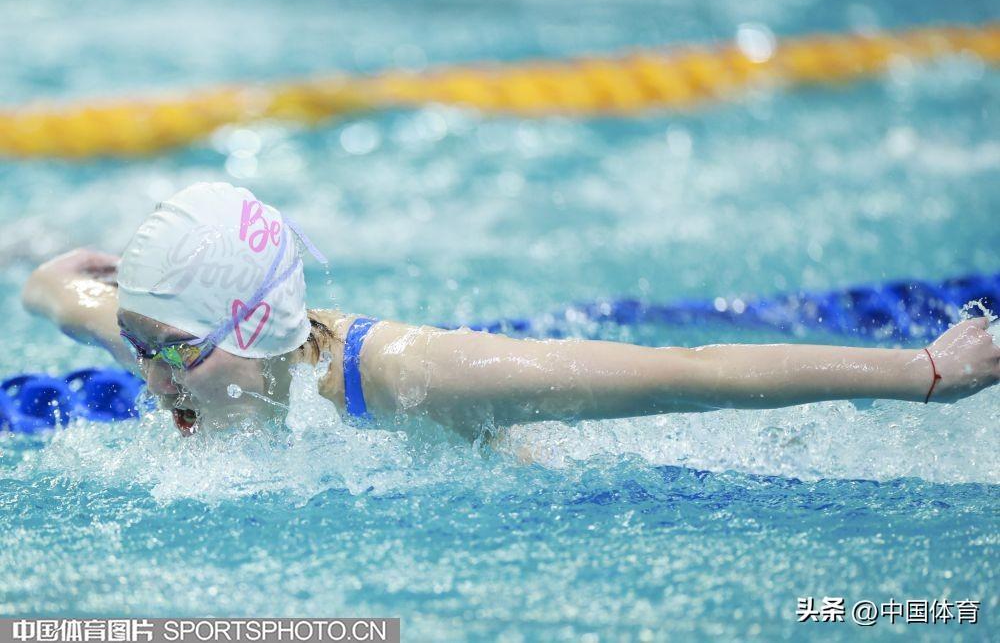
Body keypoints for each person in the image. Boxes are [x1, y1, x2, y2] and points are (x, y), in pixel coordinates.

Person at [20, 182, 1000, 442]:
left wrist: (923, 372)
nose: (149, 378)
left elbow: (690, 373)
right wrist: (63, 282)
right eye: (140, 342)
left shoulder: (413, 378)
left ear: (260, 330)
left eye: (175, 351)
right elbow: (64, 297)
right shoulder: (179, 347)